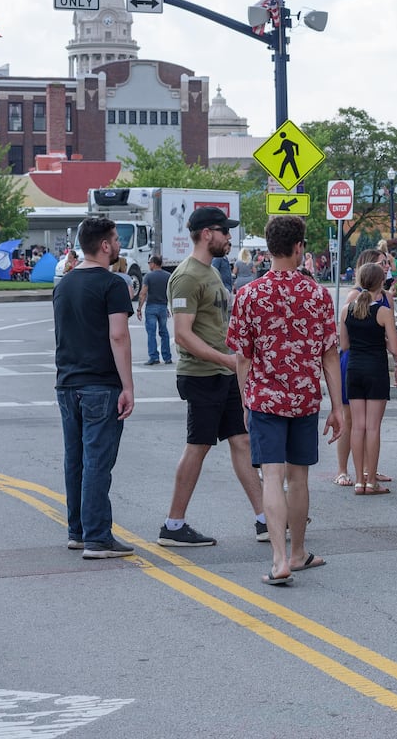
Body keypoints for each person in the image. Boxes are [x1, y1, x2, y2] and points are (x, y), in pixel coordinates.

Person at [227, 215, 343, 586]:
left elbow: (242, 356)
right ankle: (298, 551)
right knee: (300, 479)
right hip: (305, 399)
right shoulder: (318, 295)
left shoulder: (247, 295)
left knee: (272, 477)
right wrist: (338, 407)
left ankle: (279, 559)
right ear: (299, 248)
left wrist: (247, 400)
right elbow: (329, 355)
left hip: (264, 399)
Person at [161, 206, 266, 548]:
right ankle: (173, 525)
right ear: (207, 234)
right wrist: (226, 358)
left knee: (242, 441)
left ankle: (265, 519)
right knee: (199, 446)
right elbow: (182, 334)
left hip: (224, 372)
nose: (229, 238)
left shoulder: (211, 273)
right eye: (224, 231)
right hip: (203, 374)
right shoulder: (188, 276)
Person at [53, 216, 136, 560]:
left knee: (76, 461)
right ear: (104, 245)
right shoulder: (113, 284)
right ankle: (98, 538)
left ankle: (78, 531)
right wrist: (128, 386)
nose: (118, 245)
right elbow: (118, 335)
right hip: (100, 384)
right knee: (98, 462)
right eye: (115, 239)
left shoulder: (63, 284)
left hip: (67, 382)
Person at [339, 262, 397, 494]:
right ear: (380, 283)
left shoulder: (347, 310)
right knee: (373, 428)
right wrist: (383, 343)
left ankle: (357, 480)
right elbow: (394, 347)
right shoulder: (383, 312)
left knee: (357, 427)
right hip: (375, 368)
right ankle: (370, 480)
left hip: (353, 369)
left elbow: (344, 344)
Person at [136, 254, 173, 366]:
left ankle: (153, 357)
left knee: (151, 333)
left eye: (149, 263)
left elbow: (143, 293)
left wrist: (139, 309)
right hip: (163, 307)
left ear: (153, 263)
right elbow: (171, 293)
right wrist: (169, 308)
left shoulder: (148, 276)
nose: (148, 265)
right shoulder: (168, 276)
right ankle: (167, 357)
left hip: (151, 307)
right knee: (164, 332)